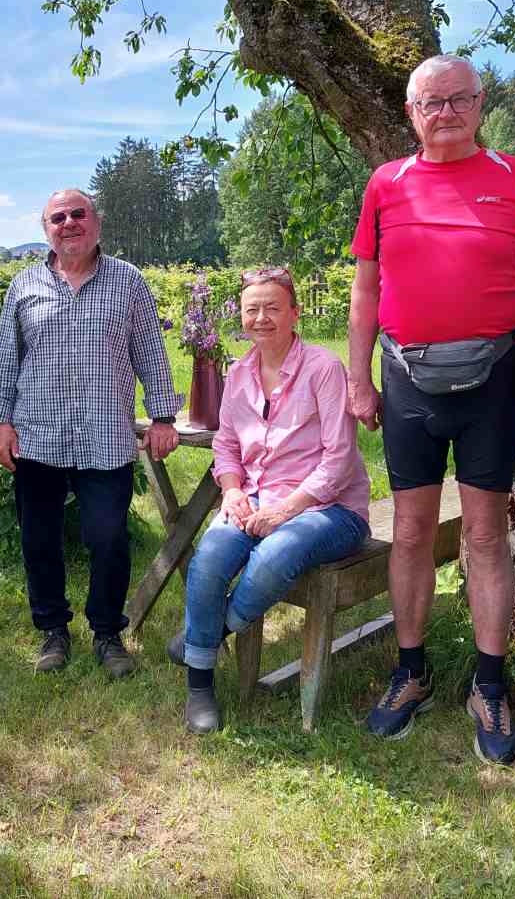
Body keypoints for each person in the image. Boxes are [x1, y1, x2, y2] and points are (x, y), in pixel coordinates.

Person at [348, 54, 515, 765]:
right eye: (430, 102)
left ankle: (489, 684)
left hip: (494, 379)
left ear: (480, 104)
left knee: (485, 535)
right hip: (406, 380)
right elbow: (365, 291)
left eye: (458, 99)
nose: (445, 112)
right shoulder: (386, 184)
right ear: (411, 112)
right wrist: (358, 378)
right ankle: (410, 672)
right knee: (408, 533)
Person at [0, 188, 183, 677]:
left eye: (79, 213)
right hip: (38, 435)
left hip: (105, 433)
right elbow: (7, 360)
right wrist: (1, 423)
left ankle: (107, 633)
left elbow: (151, 354)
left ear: (96, 221)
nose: (69, 222)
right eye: (59, 216)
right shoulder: (24, 286)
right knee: (39, 540)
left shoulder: (128, 282)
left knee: (108, 537)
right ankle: (53, 630)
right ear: (45, 228)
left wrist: (162, 416)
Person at [169, 268, 371, 733]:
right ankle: (200, 687)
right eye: (252, 309)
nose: (261, 318)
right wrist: (233, 488)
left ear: (295, 314)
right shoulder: (238, 373)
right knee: (209, 557)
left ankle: (211, 634)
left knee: (274, 555)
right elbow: (226, 445)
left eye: (273, 307)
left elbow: (339, 459)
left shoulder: (323, 369)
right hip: (255, 496)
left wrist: (286, 510)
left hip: (329, 509)